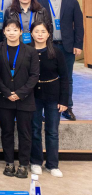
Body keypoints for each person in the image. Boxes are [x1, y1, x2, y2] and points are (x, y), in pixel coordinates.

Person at [36, 0, 84, 121]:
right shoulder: (38, 1)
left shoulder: (72, 2)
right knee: (43, 77)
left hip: (66, 46)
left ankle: (67, 107)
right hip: (45, 45)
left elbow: (79, 25)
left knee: (67, 77)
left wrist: (78, 44)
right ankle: (43, 109)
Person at [0, 19, 39, 178]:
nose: (11, 33)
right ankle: (9, 163)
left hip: (25, 99)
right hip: (4, 98)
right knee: (6, 131)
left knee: (25, 132)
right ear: (4, 32)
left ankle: (23, 164)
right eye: (8, 29)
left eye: (15, 30)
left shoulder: (31, 51)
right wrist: (7, 92)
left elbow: (34, 76)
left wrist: (20, 93)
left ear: (21, 32)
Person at [29, 21, 69, 178]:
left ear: (48, 34)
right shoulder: (27, 50)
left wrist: (64, 100)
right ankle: (35, 162)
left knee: (52, 131)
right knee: (35, 129)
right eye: (36, 31)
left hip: (53, 96)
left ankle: (52, 164)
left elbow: (65, 77)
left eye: (43, 31)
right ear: (31, 33)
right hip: (33, 96)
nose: (40, 34)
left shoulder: (56, 52)